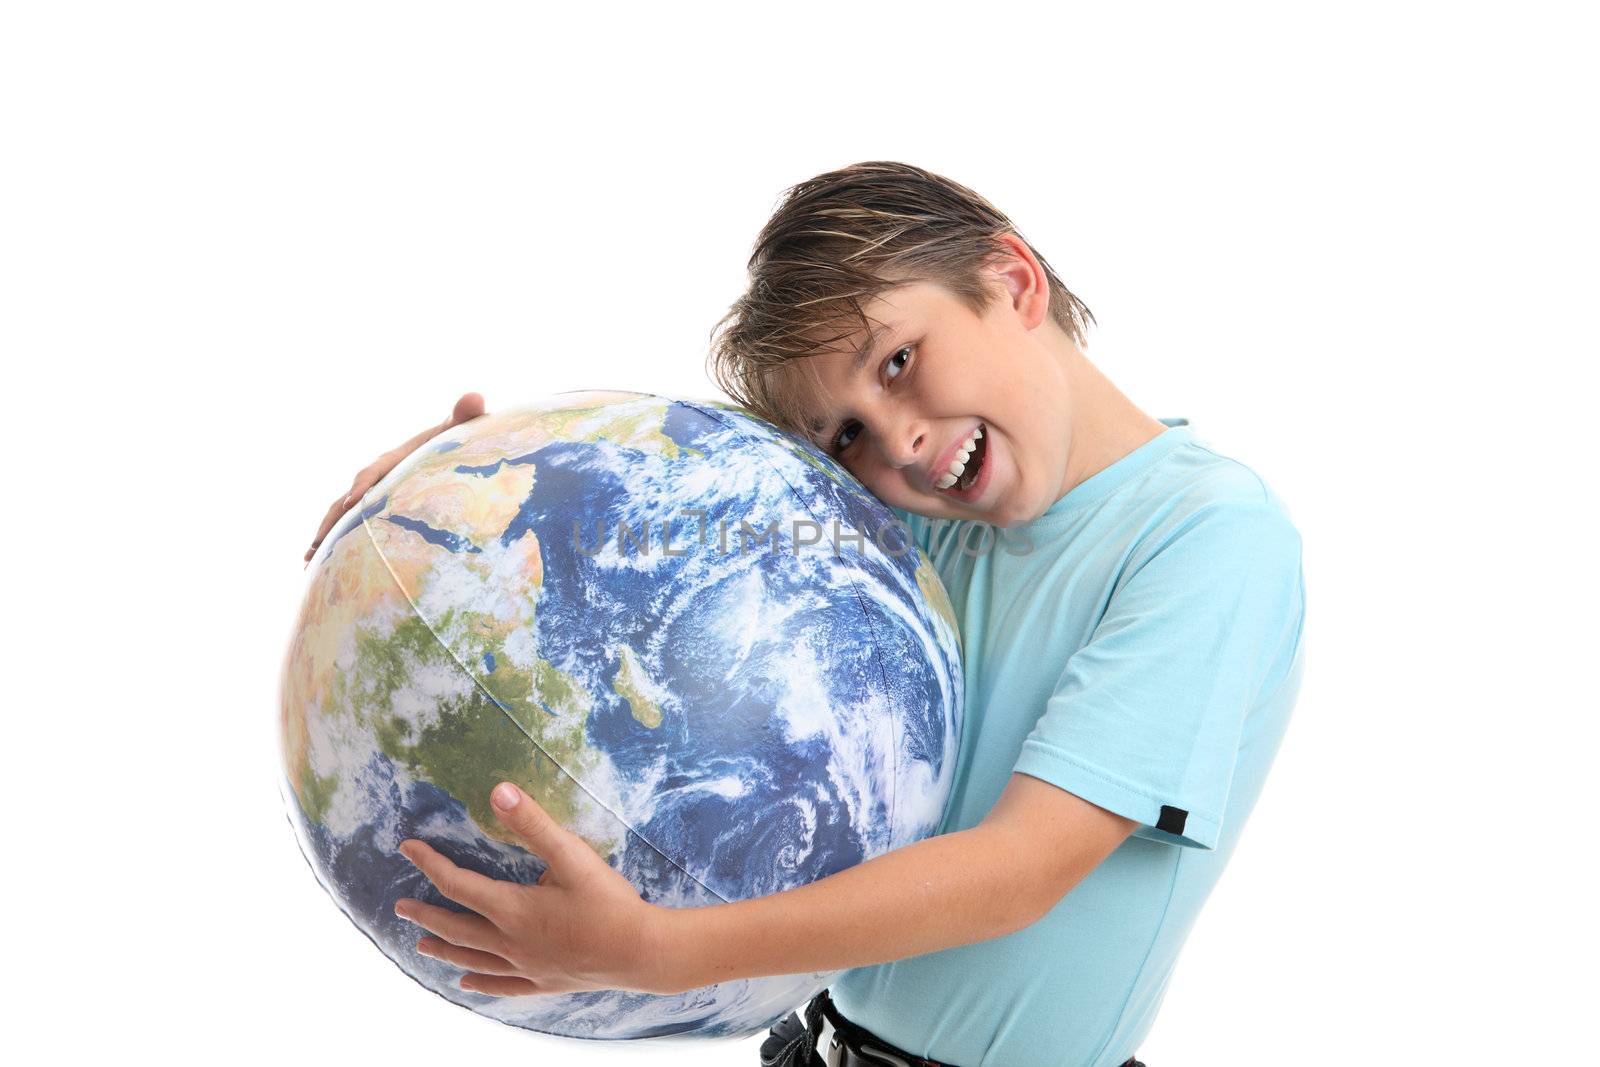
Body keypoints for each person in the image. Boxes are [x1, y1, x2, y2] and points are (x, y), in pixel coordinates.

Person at [303, 161, 1305, 1067]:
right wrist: (475, 489)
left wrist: (659, 951)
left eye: (900, 360)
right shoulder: (915, 519)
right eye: (848, 435)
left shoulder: (1206, 534)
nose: (901, 444)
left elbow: (1023, 868)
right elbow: (675, 479)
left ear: (1011, 279)